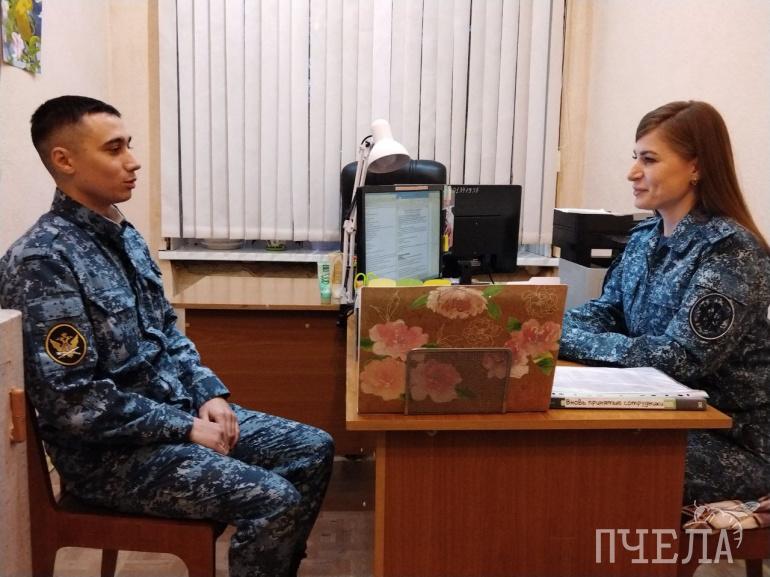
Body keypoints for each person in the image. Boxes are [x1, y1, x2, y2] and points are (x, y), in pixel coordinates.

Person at [0, 95, 334, 577]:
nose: (133, 161)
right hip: (110, 459)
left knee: (312, 448)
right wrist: (185, 427)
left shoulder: (122, 233)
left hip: (175, 417)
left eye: (129, 145)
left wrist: (208, 393)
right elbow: (74, 403)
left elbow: (166, 334)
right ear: (64, 160)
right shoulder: (42, 262)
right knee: (273, 499)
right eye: (114, 148)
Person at [559, 100, 770, 504]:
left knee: (586, 458)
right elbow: (608, 311)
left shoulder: (731, 252)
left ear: (696, 167)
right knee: (555, 441)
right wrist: (550, 329)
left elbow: (680, 358)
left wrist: (565, 340)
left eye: (649, 159)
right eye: (635, 157)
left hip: (730, 440)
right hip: (665, 413)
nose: (632, 172)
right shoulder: (644, 238)